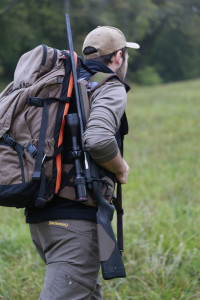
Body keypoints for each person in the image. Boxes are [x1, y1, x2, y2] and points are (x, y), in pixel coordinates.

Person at [26, 26, 140, 300]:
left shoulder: (60, 85)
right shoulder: (109, 86)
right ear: (118, 57)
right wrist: (120, 168)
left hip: (42, 220)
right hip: (74, 223)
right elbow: (99, 140)